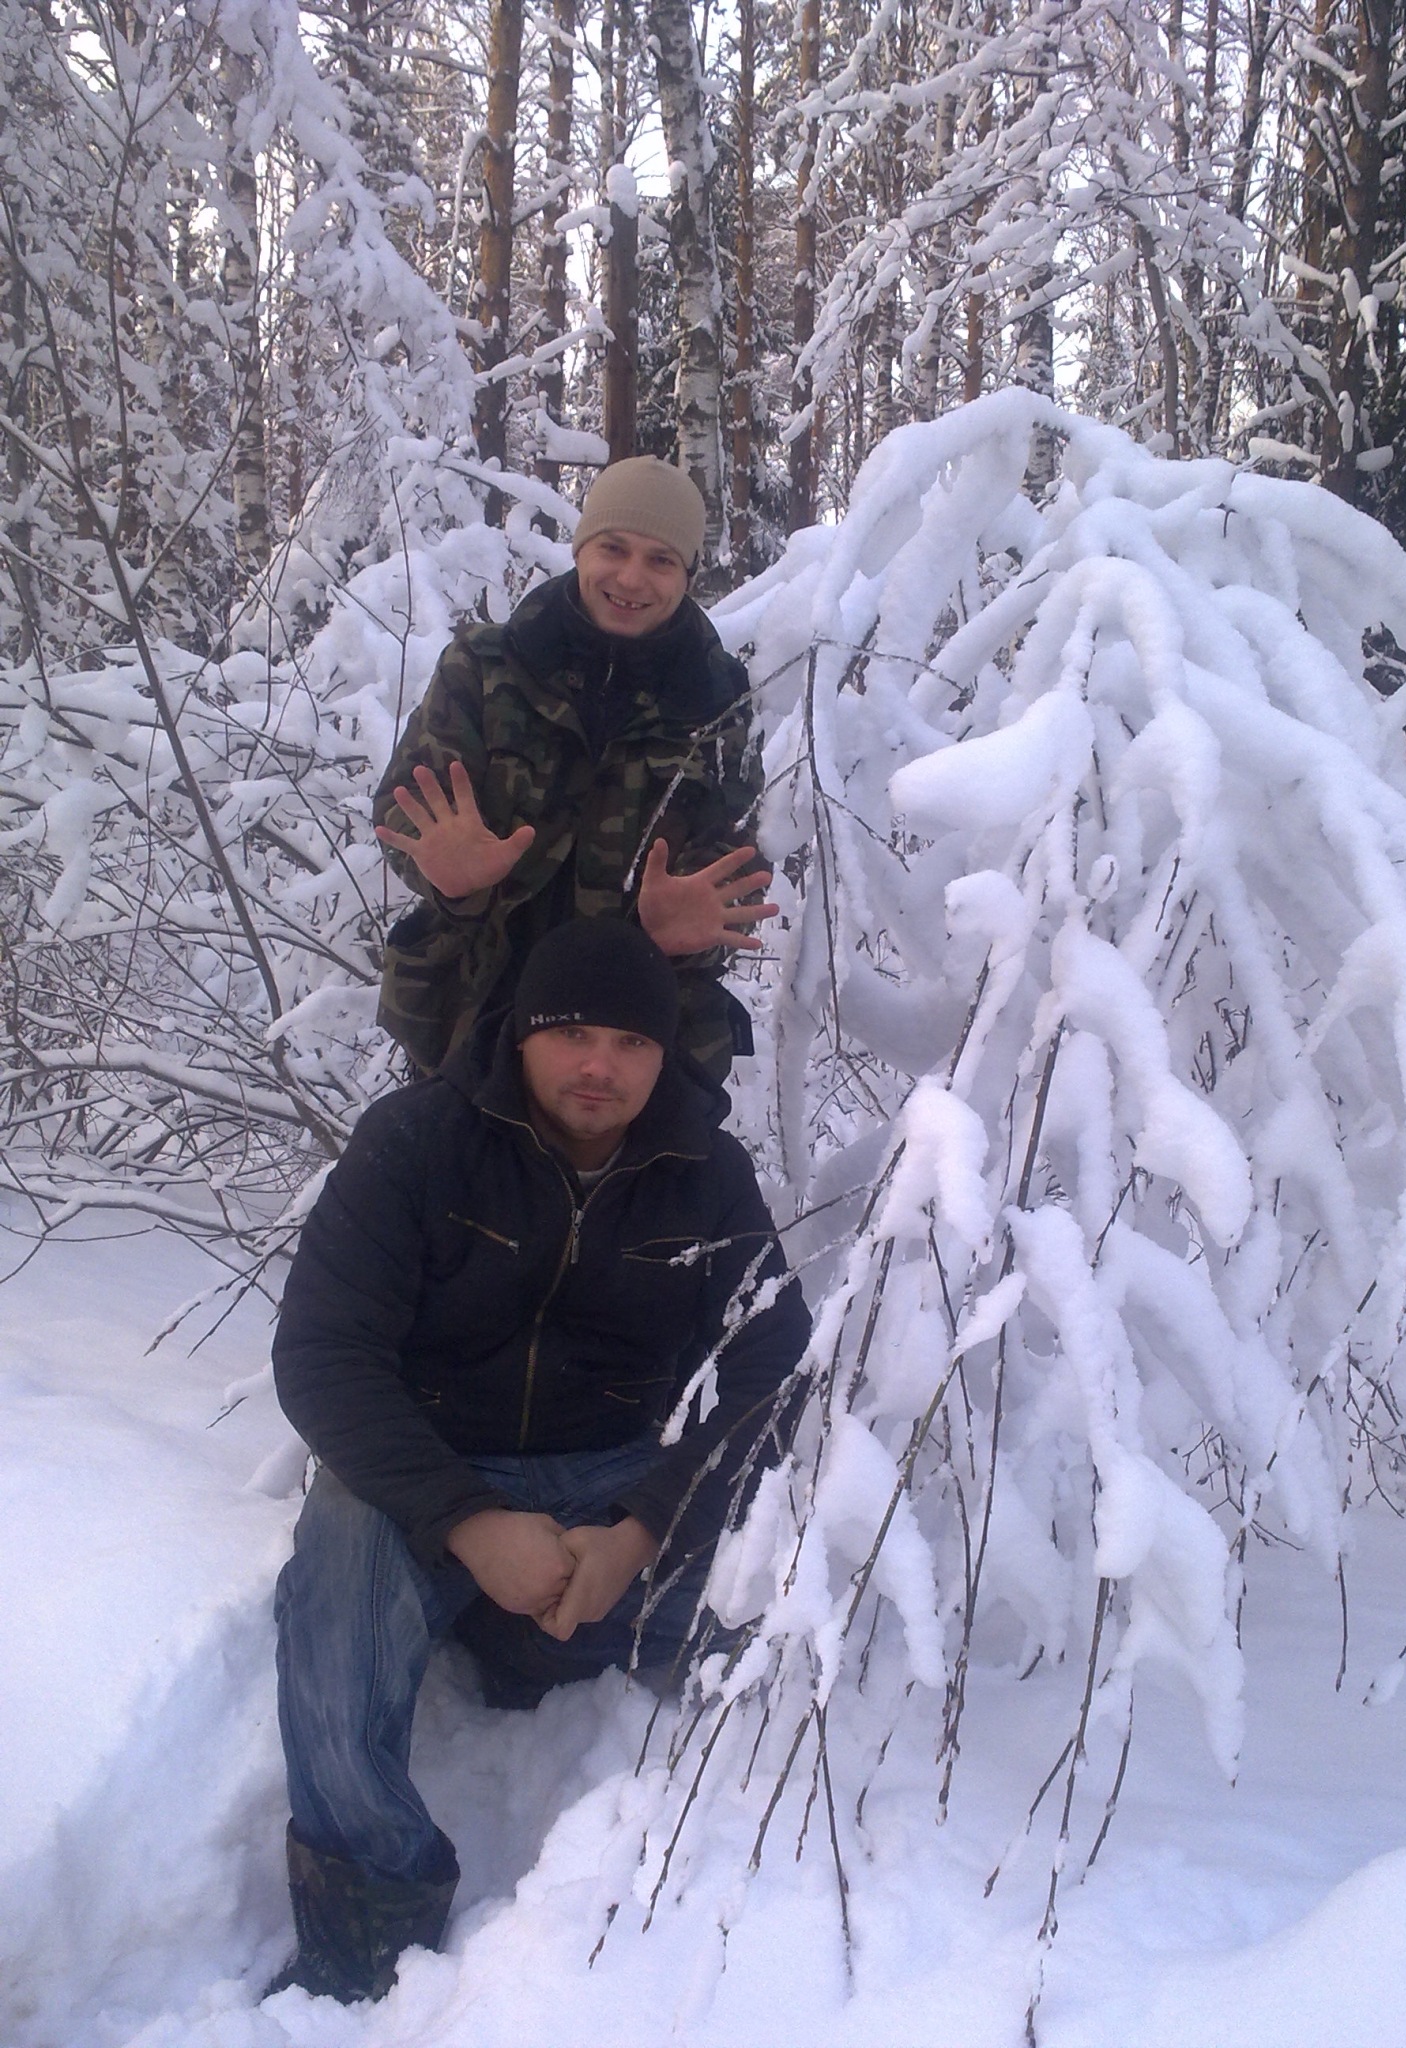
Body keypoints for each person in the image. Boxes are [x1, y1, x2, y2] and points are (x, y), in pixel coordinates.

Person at [266, 917, 810, 2005]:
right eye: (571, 1034)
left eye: (630, 1041)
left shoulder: (705, 1168)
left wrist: (641, 1530)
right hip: (423, 1471)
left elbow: (773, 1361)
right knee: (333, 1638)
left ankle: (532, 1640)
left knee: (766, 1602)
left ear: (663, 1052)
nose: (600, 1066)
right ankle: (371, 1915)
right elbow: (323, 1355)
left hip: (610, 1474)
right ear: (520, 1034)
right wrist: (472, 1522)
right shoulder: (419, 1140)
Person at [374, 456, 776, 1084]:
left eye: (661, 560)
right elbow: (408, 808)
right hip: (473, 1019)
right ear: (581, 547)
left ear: (688, 574)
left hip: (638, 1034)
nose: (631, 578)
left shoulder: (720, 702)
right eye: (613, 548)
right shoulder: (485, 666)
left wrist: (689, 924)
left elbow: (741, 857)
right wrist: (451, 876)